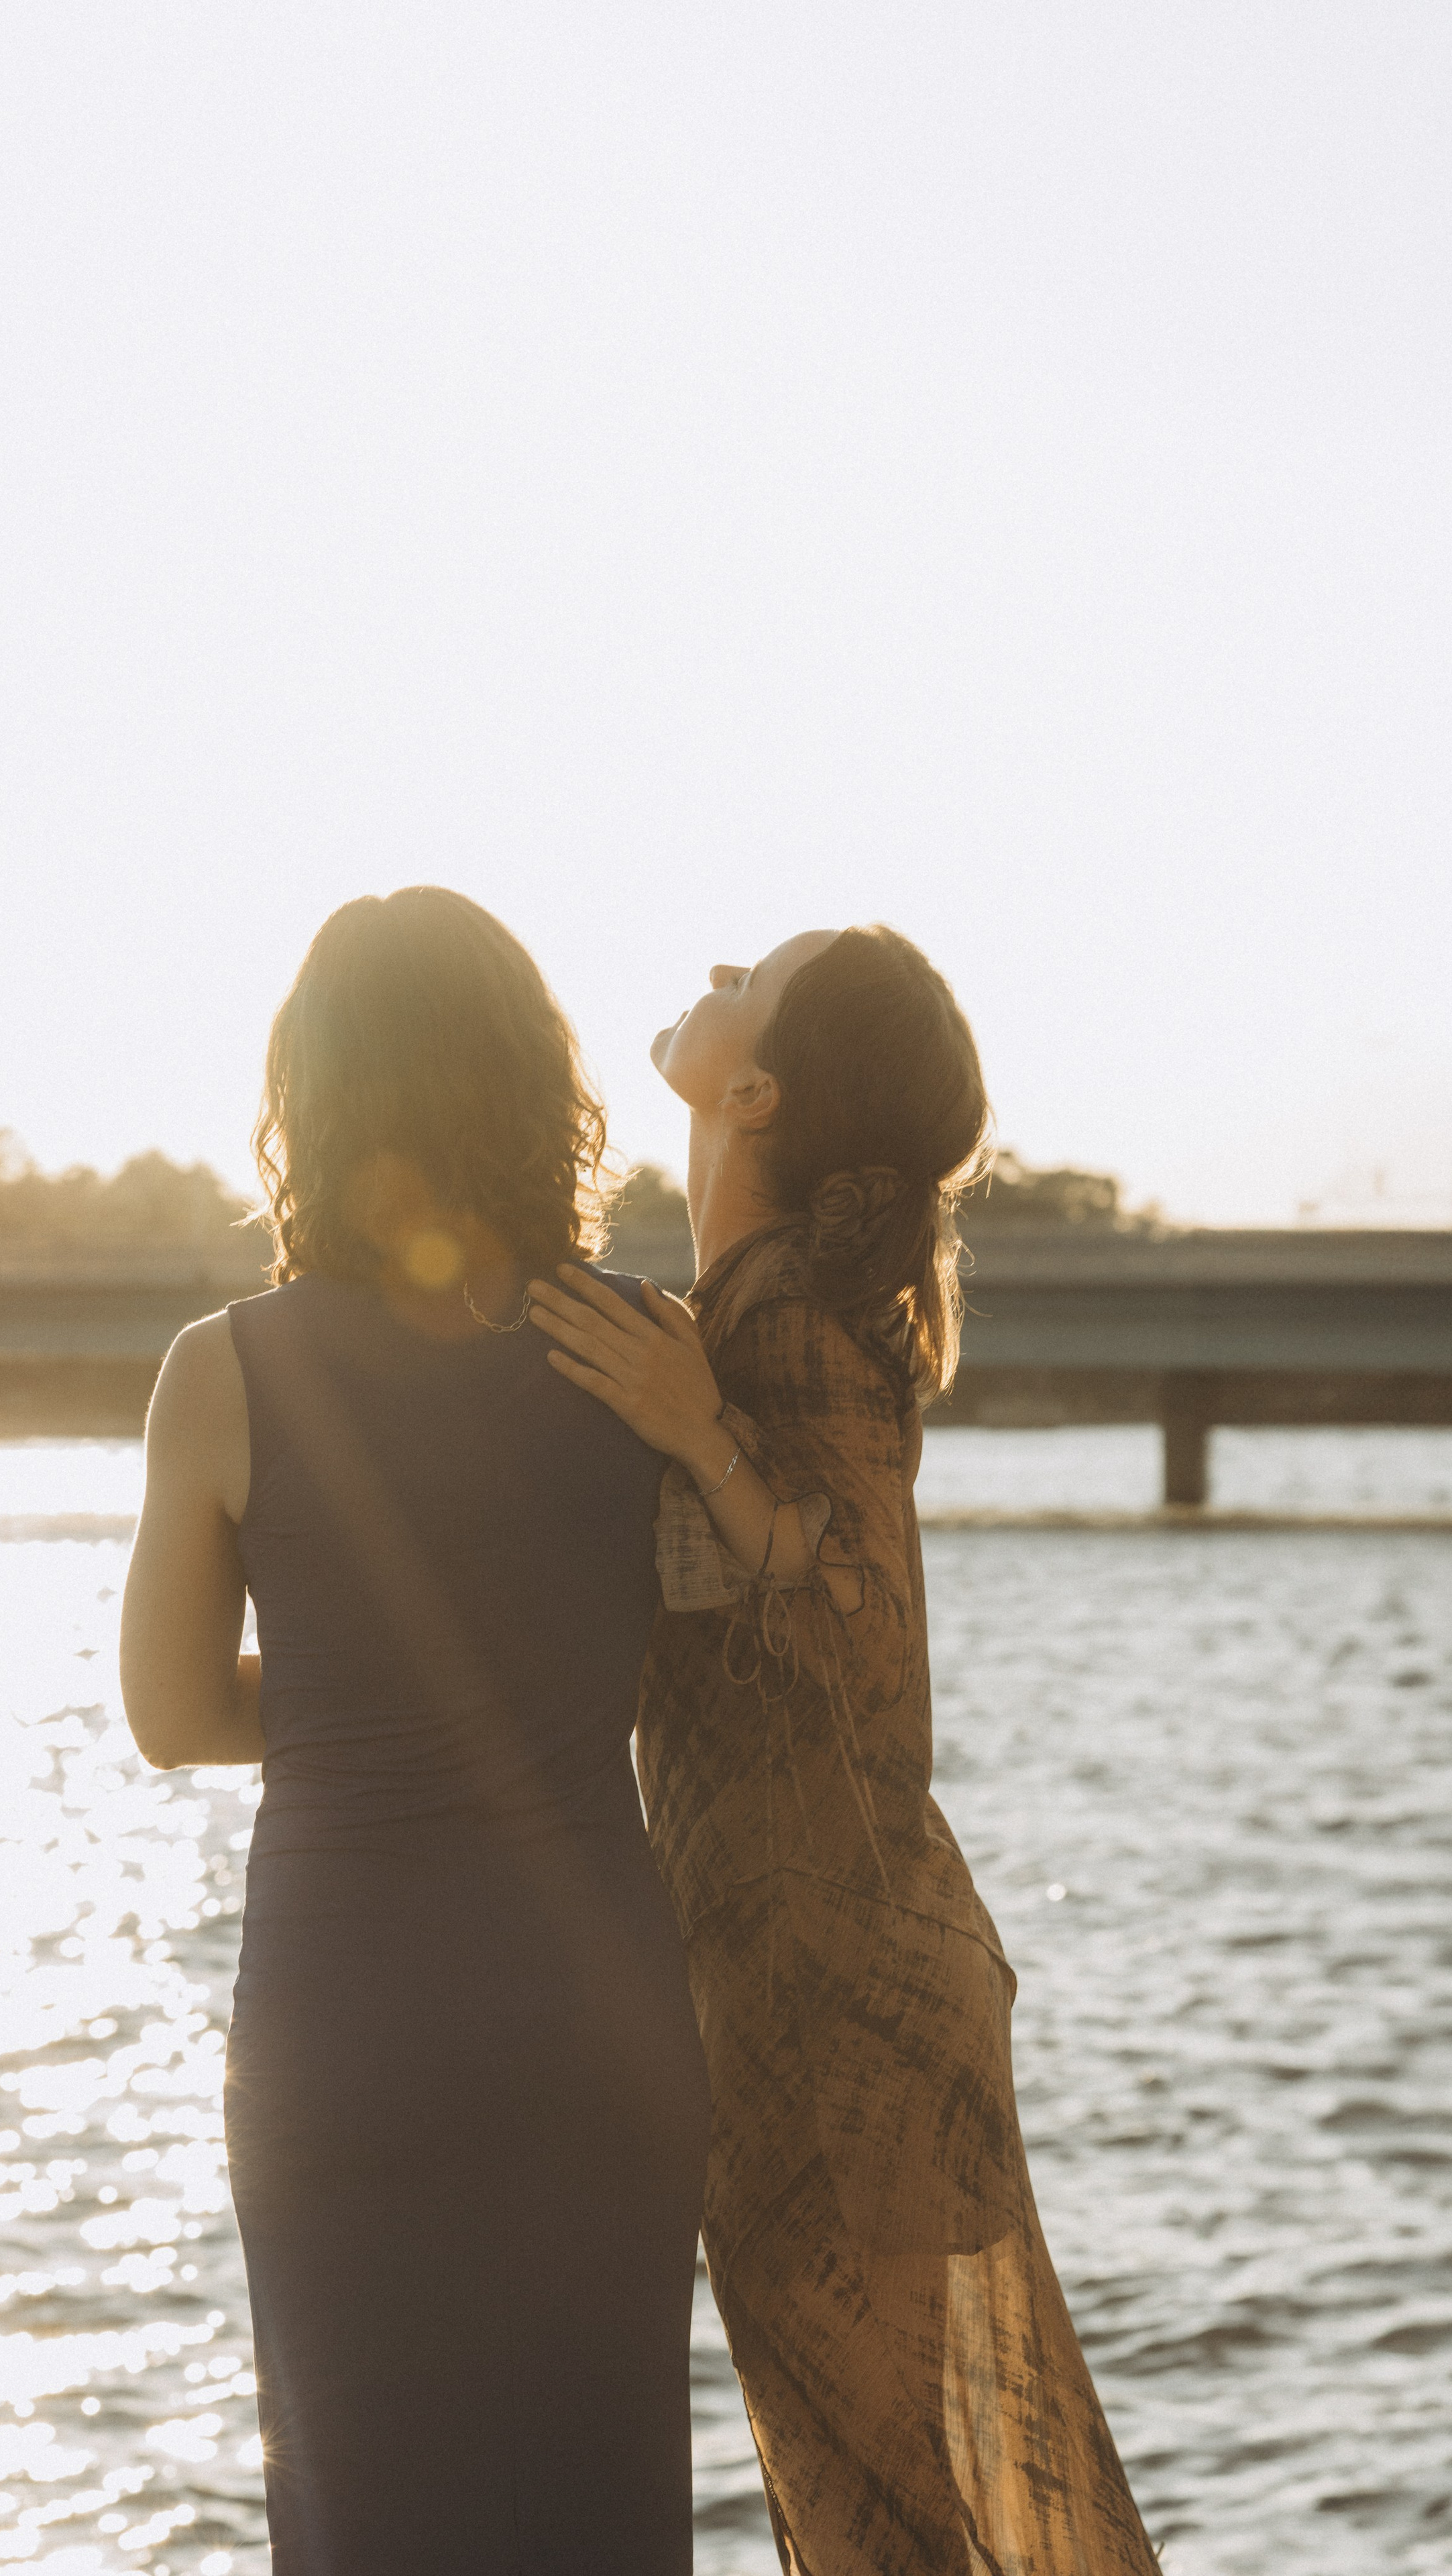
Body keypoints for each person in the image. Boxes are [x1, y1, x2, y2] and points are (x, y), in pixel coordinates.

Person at [527, 925, 1162, 2575]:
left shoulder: (779, 1323)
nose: (717, 959)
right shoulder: (734, 1310)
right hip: (803, 1981)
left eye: (755, 968)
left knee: (880, 2528)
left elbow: (862, 1643)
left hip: (839, 1999)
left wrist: (696, 1437)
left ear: (754, 1088)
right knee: (870, 2513)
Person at [119, 888, 712, 2575]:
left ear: (309, 1100)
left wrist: (359, 1719)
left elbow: (168, 1716)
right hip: (592, 2009)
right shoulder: (638, 1352)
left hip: (347, 2025)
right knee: (594, 2507)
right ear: (538, 1083)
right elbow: (740, 1623)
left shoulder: (221, 1371)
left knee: (368, 2511)